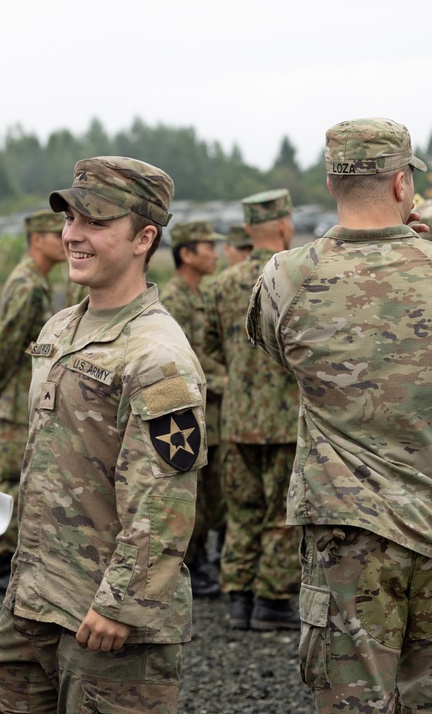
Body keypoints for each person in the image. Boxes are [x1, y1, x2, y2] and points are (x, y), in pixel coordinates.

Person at [0, 156, 205, 713]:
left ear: (143, 238)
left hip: (105, 620)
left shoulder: (158, 356)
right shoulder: (61, 327)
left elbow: (164, 502)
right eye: (71, 218)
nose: (73, 235)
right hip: (35, 598)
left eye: (96, 223)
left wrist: (120, 605)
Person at [248, 117, 432, 713]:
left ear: (331, 184)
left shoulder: (287, 276)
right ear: (403, 184)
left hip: (345, 536)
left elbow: (281, 358)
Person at [203, 188, 301, 631]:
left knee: (240, 512)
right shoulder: (297, 277)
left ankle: (238, 598)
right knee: (281, 513)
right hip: (284, 420)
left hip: (236, 419)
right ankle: (273, 601)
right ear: (283, 225)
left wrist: (236, 382)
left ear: (246, 230)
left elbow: (204, 349)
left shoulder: (219, 285)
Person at [0, 208, 66, 594]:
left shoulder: (36, 280)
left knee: (18, 479)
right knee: (14, 481)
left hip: (23, 395)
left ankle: (7, 557)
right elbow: (5, 344)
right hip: (16, 399)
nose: (64, 239)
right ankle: (0, 561)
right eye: (56, 234)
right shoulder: (28, 285)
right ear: (37, 240)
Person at [159, 220, 224, 599]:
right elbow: (186, 362)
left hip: (210, 411)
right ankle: (190, 563)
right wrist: (229, 382)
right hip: (189, 412)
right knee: (191, 495)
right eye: (208, 246)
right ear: (186, 254)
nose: (216, 253)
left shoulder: (200, 294)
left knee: (211, 495)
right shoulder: (176, 300)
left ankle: (199, 561)